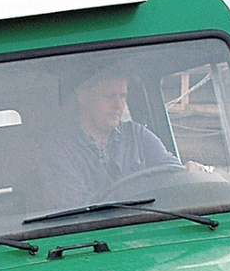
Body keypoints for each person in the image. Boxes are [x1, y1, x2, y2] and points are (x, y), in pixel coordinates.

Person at [42, 66, 185, 206]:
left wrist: (188, 173)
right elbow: (78, 208)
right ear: (83, 97)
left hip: (145, 224)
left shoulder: (138, 135)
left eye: (123, 96)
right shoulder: (57, 148)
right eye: (109, 97)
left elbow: (173, 174)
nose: (119, 105)